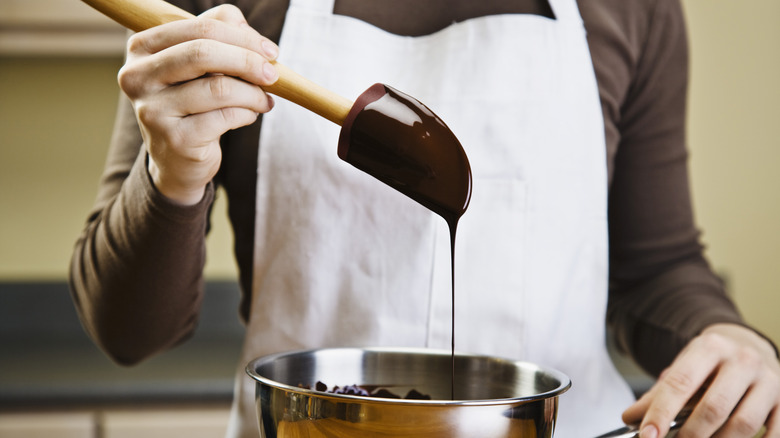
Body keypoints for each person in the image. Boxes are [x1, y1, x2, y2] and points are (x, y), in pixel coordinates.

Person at [69, 0, 780, 437]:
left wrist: (728, 339)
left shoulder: (631, 7)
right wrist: (174, 173)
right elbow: (128, 333)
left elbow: (655, 269)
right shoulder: (217, 17)